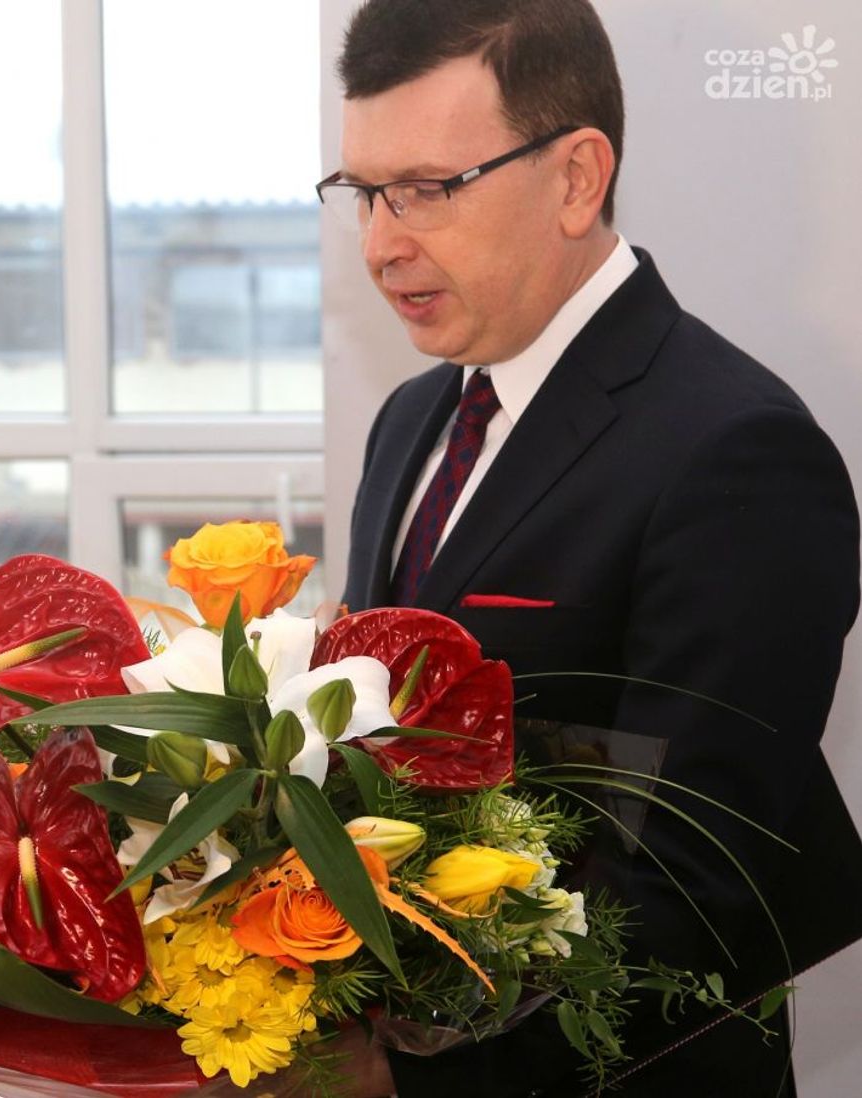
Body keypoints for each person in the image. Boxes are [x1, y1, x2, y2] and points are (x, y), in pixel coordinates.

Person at [327, 1, 862, 1094]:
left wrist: (399, 1077)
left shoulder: (735, 451)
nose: (382, 244)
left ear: (577, 178)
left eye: (428, 188)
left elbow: (693, 884)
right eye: (364, 192)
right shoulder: (411, 420)